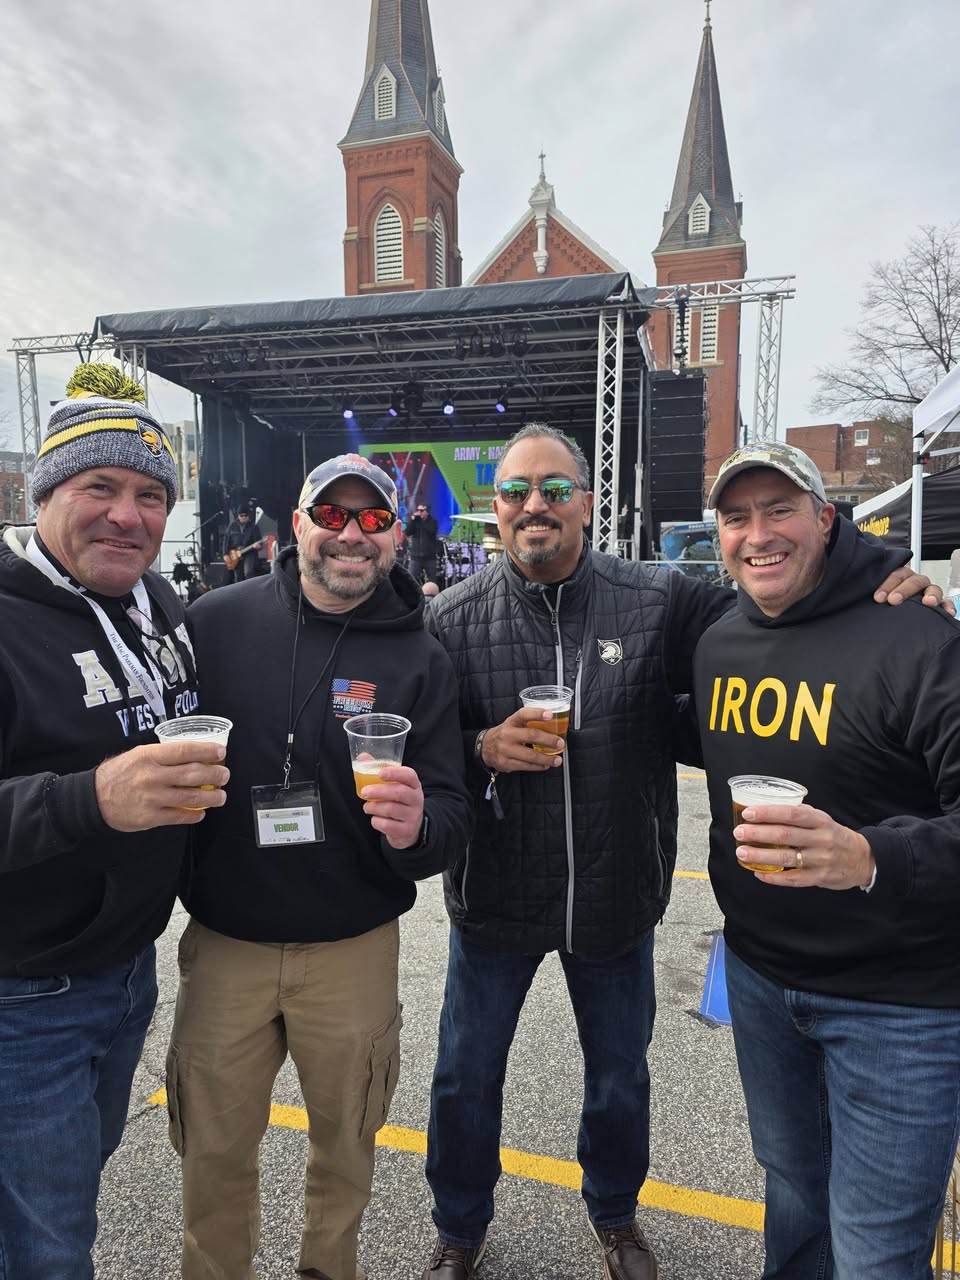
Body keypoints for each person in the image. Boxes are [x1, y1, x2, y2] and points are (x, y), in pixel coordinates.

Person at [418, 422, 948, 1280]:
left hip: (615, 892)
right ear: (496, 510)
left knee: (619, 1077)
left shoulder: (659, 597)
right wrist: (481, 747)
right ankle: (459, 1225)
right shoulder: (448, 617)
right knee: (463, 1077)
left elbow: (778, 603)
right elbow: (419, 748)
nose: (534, 505)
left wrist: (884, 577)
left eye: (554, 488)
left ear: (587, 503)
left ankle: (616, 1214)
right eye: (515, 491)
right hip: (495, 895)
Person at [167, 453, 473, 1280]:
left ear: (396, 536)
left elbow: (451, 814)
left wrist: (417, 827)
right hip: (227, 943)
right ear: (297, 525)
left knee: (346, 1148)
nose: (351, 535)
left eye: (373, 519)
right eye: (331, 516)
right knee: (212, 1151)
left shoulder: (421, 656)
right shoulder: (213, 623)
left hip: (352, 947)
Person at [694, 441, 960, 1280]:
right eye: (737, 517)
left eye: (780, 510)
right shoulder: (718, 642)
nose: (758, 535)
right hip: (762, 983)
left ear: (826, 518)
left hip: (898, 1005)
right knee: (796, 1202)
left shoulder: (918, 637)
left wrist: (870, 855)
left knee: (877, 1251)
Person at [0, 362, 229, 1280]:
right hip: (25, 995)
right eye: (98, 487)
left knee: (60, 1198)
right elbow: (96, 791)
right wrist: (90, 797)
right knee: (49, 1245)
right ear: (43, 495)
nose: (127, 516)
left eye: (149, 495)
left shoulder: (156, 603)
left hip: (128, 971)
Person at [222, 502, 263, 582]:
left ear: (248, 516)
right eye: (241, 515)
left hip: (249, 553)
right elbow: (226, 540)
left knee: (249, 572)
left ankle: (250, 588)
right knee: (238, 577)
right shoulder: (232, 526)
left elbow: (260, 542)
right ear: (238, 516)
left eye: (246, 515)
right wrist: (225, 554)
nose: (244, 517)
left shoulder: (254, 527)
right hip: (235, 553)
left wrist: (259, 546)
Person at [405, 500, 440, 585]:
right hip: (416, 557)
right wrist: (412, 521)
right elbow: (408, 532)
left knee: (432, 581)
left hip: (430, 557)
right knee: (410, 580)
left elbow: (431, 531)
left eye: (421, 510)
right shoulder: (415, 522)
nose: (419, 512)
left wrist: (421, 522)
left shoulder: (432, 521)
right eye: (418, 510)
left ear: (426, 512)